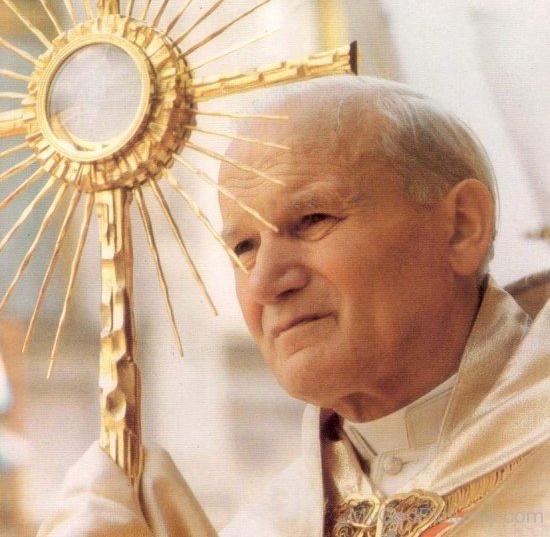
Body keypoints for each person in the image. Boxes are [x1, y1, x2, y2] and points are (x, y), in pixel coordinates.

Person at [38, 77, 549, 536]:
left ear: (461, 226)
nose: (264, 283)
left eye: (312, 218)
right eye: (244, 247)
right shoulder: (272, 524)